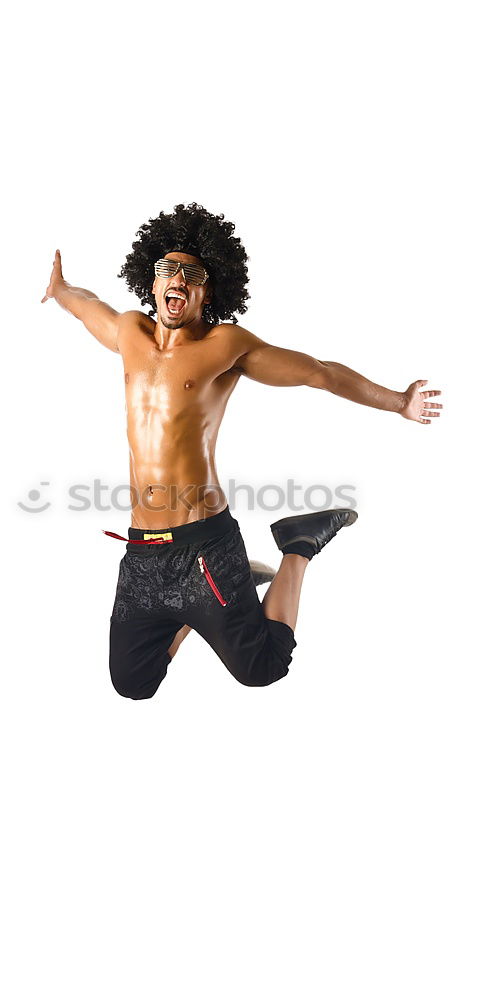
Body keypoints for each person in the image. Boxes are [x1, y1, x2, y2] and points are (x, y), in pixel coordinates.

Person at [41, 203, 443, 699]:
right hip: (143, 553)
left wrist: (399, 401)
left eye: (193, 275)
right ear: (152, 281)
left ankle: (299, 545)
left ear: (208, 292)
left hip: (204, 548)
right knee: (133, 683)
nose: (179, 281)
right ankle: (206, 606)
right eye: (170, 270)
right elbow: (85, 304)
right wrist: (59, 288)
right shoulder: (129, 333)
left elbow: (320, 372)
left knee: (263, 668)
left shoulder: (223, 345)